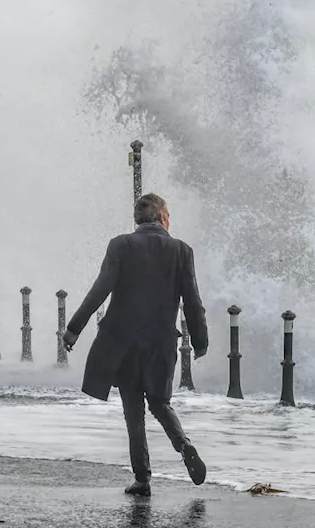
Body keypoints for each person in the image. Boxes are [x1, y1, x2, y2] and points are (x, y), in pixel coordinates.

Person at [62, 193, 209, 495]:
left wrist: (74, 328)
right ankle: (184, 446)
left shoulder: (121, 245)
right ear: (163, 218)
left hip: (126, 344)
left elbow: (99, 290)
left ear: (137, 220)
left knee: (133, 409)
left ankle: (142, 478)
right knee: (160, 402)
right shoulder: (182, 251)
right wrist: (200, 340)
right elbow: (193, 301)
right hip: (161, 342)